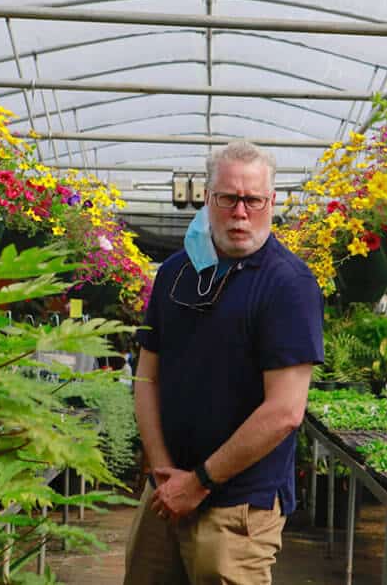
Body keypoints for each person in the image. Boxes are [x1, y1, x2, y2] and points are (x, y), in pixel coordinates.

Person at [124, 141, 324, 585]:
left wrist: (197, 483)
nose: (240, 212)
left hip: (238, 506)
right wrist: (162, 472)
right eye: (228, 198)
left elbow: (285, 412)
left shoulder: (288, 285)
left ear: (271, 203)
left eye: (253, 200)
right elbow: (147, 375)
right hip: (165, 491)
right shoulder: (176, 273)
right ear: (207, 198)